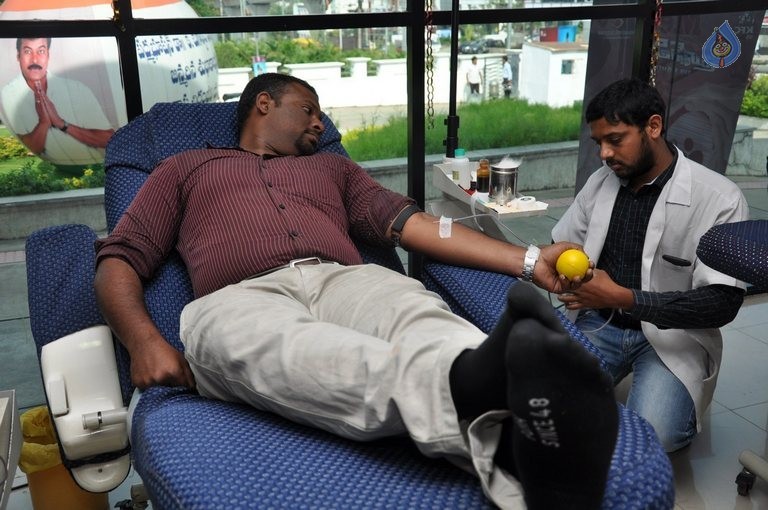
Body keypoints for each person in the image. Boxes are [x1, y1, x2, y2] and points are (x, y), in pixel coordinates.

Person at [94, 72, 619, 509]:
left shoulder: (333, 168)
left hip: (346, 278)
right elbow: (119, 258)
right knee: (276, 346)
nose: (321, 124)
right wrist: (144, 341)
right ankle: (494, 420)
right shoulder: (183, 168)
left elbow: (417, 226)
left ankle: (495, 381)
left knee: (414, 311)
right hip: (240, 295)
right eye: (309, 111)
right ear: (263, 103)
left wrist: (530, 261)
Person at [552, 77, 749, 453]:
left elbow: (722, 303)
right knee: (542, 401)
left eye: (615, 139)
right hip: (600, 323)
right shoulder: (601, 182)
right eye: (599, 143)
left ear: (653, 127)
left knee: (655, 435)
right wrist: (563, 268)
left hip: (671, 339)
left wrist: (625, 298)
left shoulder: (720, 199)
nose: (604, 155)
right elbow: (564, 244)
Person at [0, 38, 115, 165]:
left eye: (41, 51)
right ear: (18, 56)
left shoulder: (76, 89)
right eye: (27, 51)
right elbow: (32, 146)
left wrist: (62, 124)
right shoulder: (8, 94)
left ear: (48, 55)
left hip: (97, 170)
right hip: (54, 174)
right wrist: (43, 123)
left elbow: (109, 139)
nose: (34, 59)